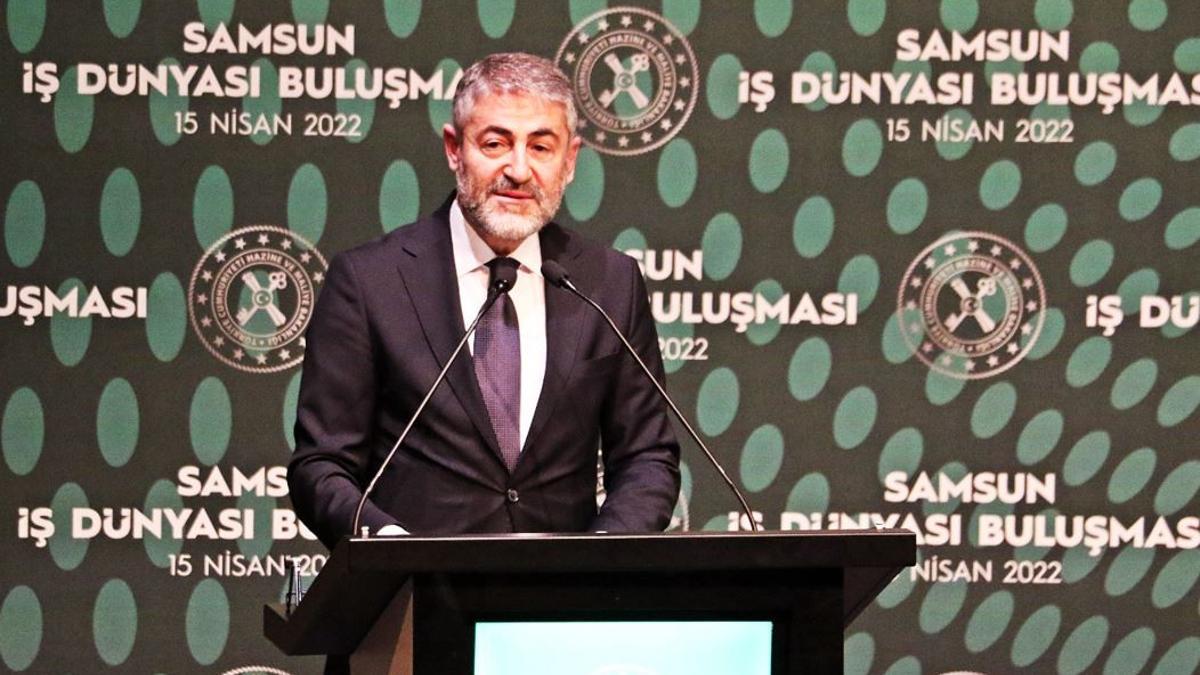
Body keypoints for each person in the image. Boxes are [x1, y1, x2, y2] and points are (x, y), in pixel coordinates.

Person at [288, 52, 681, 549]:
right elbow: (321, 465)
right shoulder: (370, 282)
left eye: (541, 147)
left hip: (565, 592)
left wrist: (599, 557)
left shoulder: (609, 282)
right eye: (495, 143)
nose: (518, 170)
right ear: (454, 149)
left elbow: (648, 458)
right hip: (416, 589)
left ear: (570, 161)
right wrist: (390, 548)